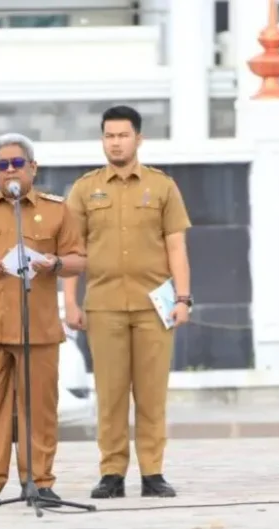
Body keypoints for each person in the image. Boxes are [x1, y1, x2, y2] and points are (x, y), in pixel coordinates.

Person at [0, 133, 87, 507]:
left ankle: (38, 480)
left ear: (32, 168)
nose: (10, 171)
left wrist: (53, 263)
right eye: (1, 165)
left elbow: (79, 259)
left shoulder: (56, 209)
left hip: (36, 327)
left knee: (38, 407)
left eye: (17, 164)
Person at [62, 105, 192, 499]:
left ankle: (153, 472)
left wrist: (183, 298)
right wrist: (69, 301)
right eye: (109, 135)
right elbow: (73, 250)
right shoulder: (85, 189)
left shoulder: (162, 187)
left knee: (152, 393)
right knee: (111, 393)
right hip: (103, 306)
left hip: (155, 306)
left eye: (122, 135)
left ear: (138, 139)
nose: (115, 142)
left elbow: (176, 248)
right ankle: (112, 473)